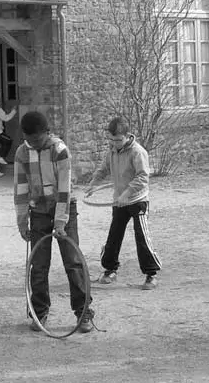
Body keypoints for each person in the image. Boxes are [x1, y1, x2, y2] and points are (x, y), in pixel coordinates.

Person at [14, 111, 94, 333]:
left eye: (37, 140)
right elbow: (20, 189)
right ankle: (39, 312)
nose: (34, 145)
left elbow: (64, 189)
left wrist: (60, 222)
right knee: (38, 265)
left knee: (73, 262)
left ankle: (83, 311)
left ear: (47, 134)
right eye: (29, 140)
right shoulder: (22, 153)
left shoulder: (60, 151)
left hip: (64, 209)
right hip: (37, 211)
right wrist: (22, 221)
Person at [86, 117, 161, 290]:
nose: (115, 143)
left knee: (141, 237)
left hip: (137, 201)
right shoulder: (112, 150)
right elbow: (103, 168)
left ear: (127, 136)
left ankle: (151, 274)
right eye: (111, 140)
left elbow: (143, 177)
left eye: (118, 140)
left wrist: (127, 194)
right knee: (114, 235)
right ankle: (110, 270)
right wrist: (93, 183)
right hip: (119, 201)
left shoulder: (138, 152)